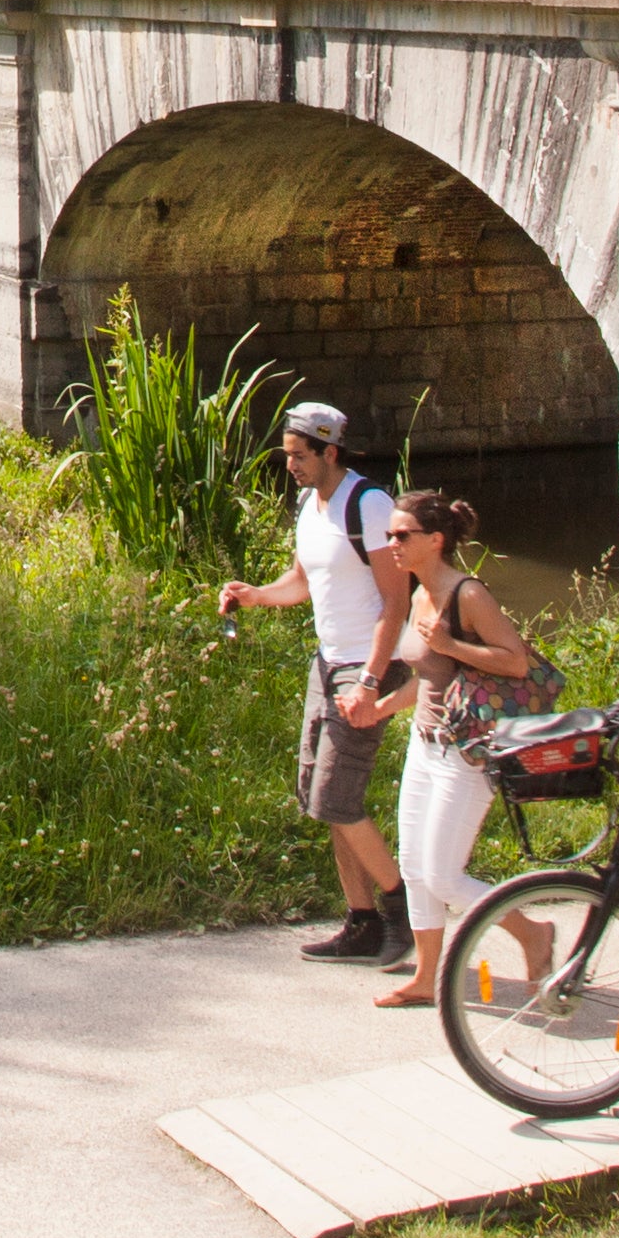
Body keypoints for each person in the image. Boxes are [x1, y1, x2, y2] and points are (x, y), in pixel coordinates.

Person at [210, 399, 412, 962]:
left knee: (336, 798)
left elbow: (397, 601)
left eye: (300, 455)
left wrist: (370, 681)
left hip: (364, 667)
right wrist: (255, 595)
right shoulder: (308, 505)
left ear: (330, 451)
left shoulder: (369, 505)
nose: (291, 465)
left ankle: (401, 910)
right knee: (320, 798)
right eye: (287, 454)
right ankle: (362, 922)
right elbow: (302, 581)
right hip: (326, 665)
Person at [359, 489, 541, 1008]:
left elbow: (516, 661)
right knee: (414, 868)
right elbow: (430, 679)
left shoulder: (468, 595)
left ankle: (532, 934)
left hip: (468, 754)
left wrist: (451, 644)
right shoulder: (420, 594)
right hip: (425, 745)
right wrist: (381, 708)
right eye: (389, 535)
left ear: (435, 540)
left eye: (401, 535)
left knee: (442, 875)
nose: (391, 543)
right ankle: (426, 977)